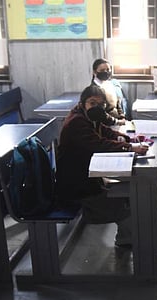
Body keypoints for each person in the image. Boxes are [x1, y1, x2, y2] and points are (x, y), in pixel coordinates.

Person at [54, 85, 148, 246]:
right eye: (92, 103)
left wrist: (127, 138)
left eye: (100, 104)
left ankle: (126, 238)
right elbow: (99, 144)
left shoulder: (87, 116)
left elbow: (105, 131)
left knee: (129, 195)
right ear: (82, 103)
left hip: (90, 178)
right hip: (77, 187)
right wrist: (129, 147)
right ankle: (136, 246)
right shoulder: (76, 122)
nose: (96, 107)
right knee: (127, 206)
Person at [90, 58, 127, 125]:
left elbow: (117, 103)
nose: (106, 72)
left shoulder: (110, 84)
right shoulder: (93, 90)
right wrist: (117, 122)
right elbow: (100, 114)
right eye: (102, 70)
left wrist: (122, 117)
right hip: (105, 125)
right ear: (95, 72)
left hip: (117, 122)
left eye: (108, 69)